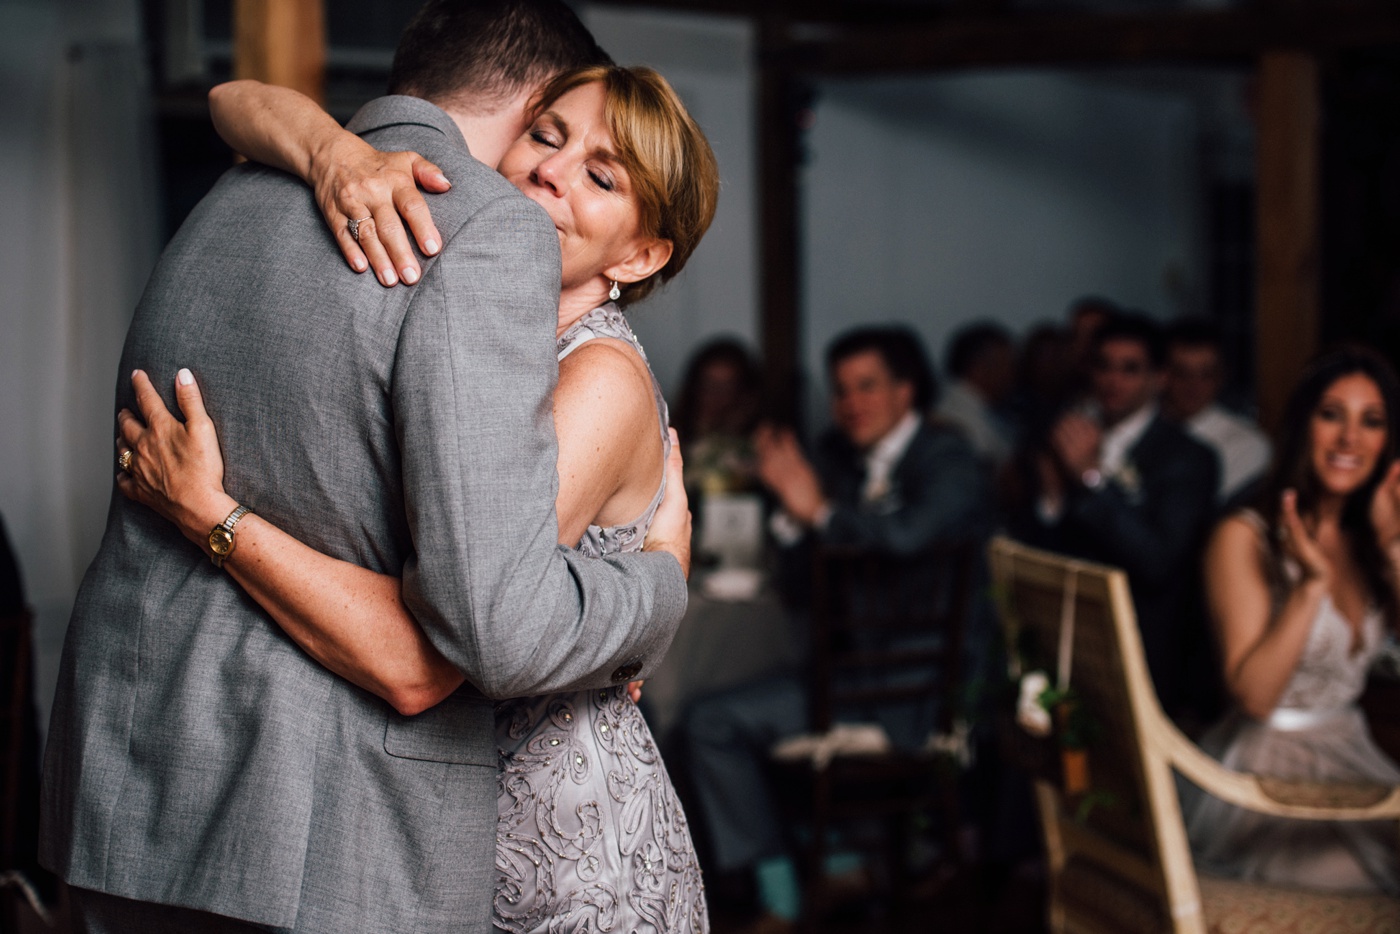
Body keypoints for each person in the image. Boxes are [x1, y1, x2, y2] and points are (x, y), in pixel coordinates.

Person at [41, 5, 702, 933]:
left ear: (641, 252)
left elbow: (466, 642)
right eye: (547, 135)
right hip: (326, 821)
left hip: (159, 788)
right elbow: (463, 645)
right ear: (518, 118)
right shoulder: (436, 223)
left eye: (599, 173)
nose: (550, 172)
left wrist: (649, 590)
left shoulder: (231, 198)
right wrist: (653, 592)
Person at [682, 326, 989, 928]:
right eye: (842, 389)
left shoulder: (948, 458)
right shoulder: (842, 458)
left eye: (867, 386)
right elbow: (804, 586)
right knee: (710, 719)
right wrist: (793, 519)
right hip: (852, 677)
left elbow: (904, 539)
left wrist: (817, 509)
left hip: (918, 692)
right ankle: (805, 879)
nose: (851, 403)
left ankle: (798, 889)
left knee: (713, 724)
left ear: (907, 390)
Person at [1183, 347, 1400, 893]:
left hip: (1352, 750)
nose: (1350, 438)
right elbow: (1253, 696)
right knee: (1354, 886)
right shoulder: (1242, 535)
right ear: (1303, 424)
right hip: (1266, 765)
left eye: (1371, 421)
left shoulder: (1368, 536)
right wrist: (1311, 589)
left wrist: (1394, 548)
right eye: (1332, 415)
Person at [1009, 312, 1220, 720]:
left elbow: (1157, 561)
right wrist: (1051, 500)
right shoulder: (1067, 434)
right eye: (1104, 366)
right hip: (1073, 639)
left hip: (1148, 648)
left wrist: (1090, 479)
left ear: (1159, 378)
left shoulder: (1187, 457)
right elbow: (1040, 550)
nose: (1113, 380)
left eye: (1130, 369)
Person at [1162, 317, 1271, 504]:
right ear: (1162, 376)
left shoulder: (1246, 444)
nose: (1193, 386)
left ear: (1222, 377)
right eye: (1182, 373)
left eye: (1206, 375)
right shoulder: (1145, 428)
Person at [935, 320, 1017, 469]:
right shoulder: (957, 416)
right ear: (977, 368)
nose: (1012, 374)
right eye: (1005, 365)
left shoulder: (985, 409)